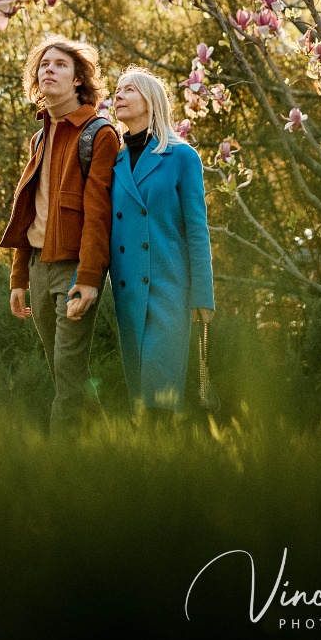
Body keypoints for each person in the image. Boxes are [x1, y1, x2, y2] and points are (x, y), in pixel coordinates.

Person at [0, 36, 119, 432]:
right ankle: (111, 455)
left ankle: (56, 471)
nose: (49, 69)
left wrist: (88, 279)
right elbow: (28, 211)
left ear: (79, 81)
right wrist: (19, 278)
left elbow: (99, 214)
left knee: (68, 375)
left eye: (60, 65)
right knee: (65, 375)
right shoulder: (38, 138)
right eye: (44, 64)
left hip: (73, 269)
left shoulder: (99, 134)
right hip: (37, 267)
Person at [110, 68, 215, 415]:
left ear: (150, 101)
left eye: (129, 90)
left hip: (169, 291)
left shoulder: (182, 156)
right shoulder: (115, 161)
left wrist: (203, 295)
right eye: (117, 90)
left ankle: (170, 460)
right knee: (136, 397)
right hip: (126, 294)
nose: (118, 95)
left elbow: (197, 230)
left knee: (163, 393)